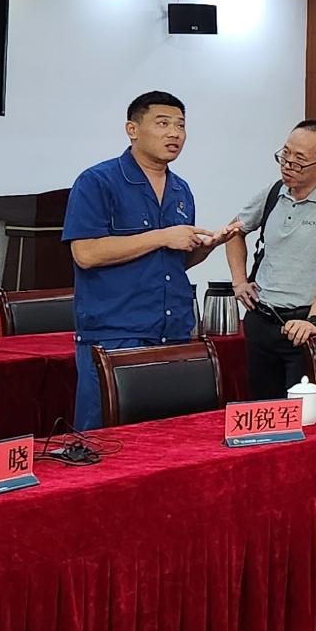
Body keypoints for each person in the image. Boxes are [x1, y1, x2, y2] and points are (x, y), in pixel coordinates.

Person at [62, 91, 226, 430]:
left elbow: (171, 264)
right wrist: (162, 236)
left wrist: (206, 247)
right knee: (104, 440)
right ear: (132, 129)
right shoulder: (98, 181)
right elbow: (86, 254)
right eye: (162, 124)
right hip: (116, 334)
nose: (174, 133)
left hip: (174, 332)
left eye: (180, 126)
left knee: (168, 437)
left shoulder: (181, 190)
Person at [216, 120, 316, 401]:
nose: (288, 164)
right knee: (261, 407)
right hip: (261, 320)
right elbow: (233, 232)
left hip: (303, 327)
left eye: (299, 160)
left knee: (303, 411)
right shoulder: (273, 192)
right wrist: (239, 282)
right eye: (285, 154)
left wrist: (314, 320)